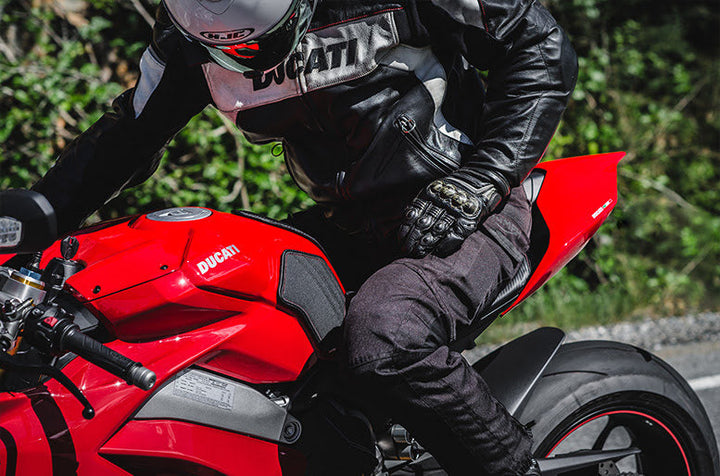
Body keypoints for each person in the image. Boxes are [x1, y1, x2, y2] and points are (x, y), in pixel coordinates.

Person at [32, 0, 577, 474]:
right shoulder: (192, 29)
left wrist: (482, 180)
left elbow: (540, 45)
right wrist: (36, 217)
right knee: (212, 308)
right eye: (231, 52)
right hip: (345, 220)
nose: (246, 61)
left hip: (468, 206)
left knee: (388, 338)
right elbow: (130, 132)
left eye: (260, 43)